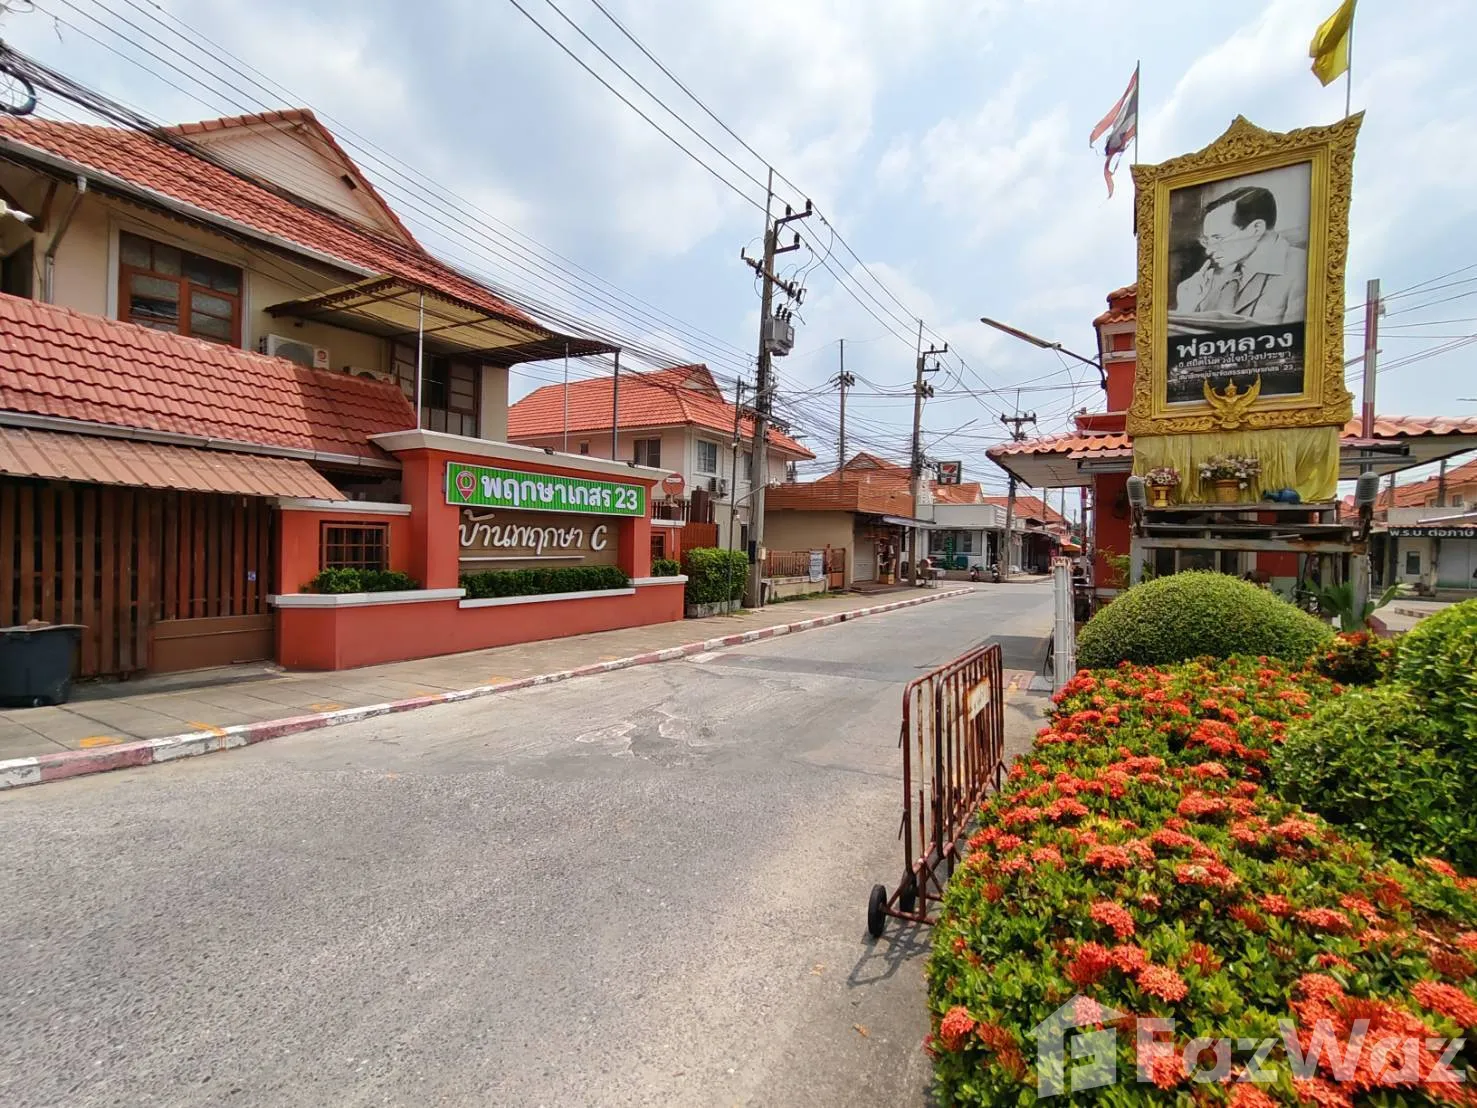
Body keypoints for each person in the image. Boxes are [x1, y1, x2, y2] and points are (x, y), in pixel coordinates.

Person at [1170, 185, 1307, 333]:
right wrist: (1187, 308)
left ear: (1256, 229)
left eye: (1218, 238)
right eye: (1207, 241)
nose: (1209, 250)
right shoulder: (1207, 281)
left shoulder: (1304, 269)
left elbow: (1298, 343)